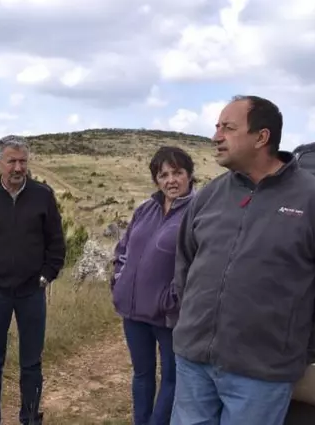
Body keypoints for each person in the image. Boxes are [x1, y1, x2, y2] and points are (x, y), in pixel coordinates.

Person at [170, 95, 315, 425]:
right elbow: (184, 264)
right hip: (194, 363)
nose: (216, 136)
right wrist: (188, 324)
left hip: (261, 375)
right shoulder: (209, 196)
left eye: (228, 128)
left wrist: (299, 350)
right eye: (217, 126)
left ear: (262, 137)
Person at [0, 135, 66, 425]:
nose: (18, 167)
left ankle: (31, 417)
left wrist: (45, 277)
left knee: (31, 362)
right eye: (12, 161)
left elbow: (56, 244)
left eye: (23, 161)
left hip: (32, 292)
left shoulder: (42, 195)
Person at [110, 146, 196, 425]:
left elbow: (198, 264)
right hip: (133, 314)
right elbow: (123, 249)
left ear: (189, 175)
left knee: (171, 379)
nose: (171, 180)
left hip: (169, 316)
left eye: (178, 173)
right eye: (164, 175)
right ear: (156, 180)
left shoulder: (197, 213)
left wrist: (171, 299)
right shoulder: (145, 209)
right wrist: (119, 281)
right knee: (142, 375)